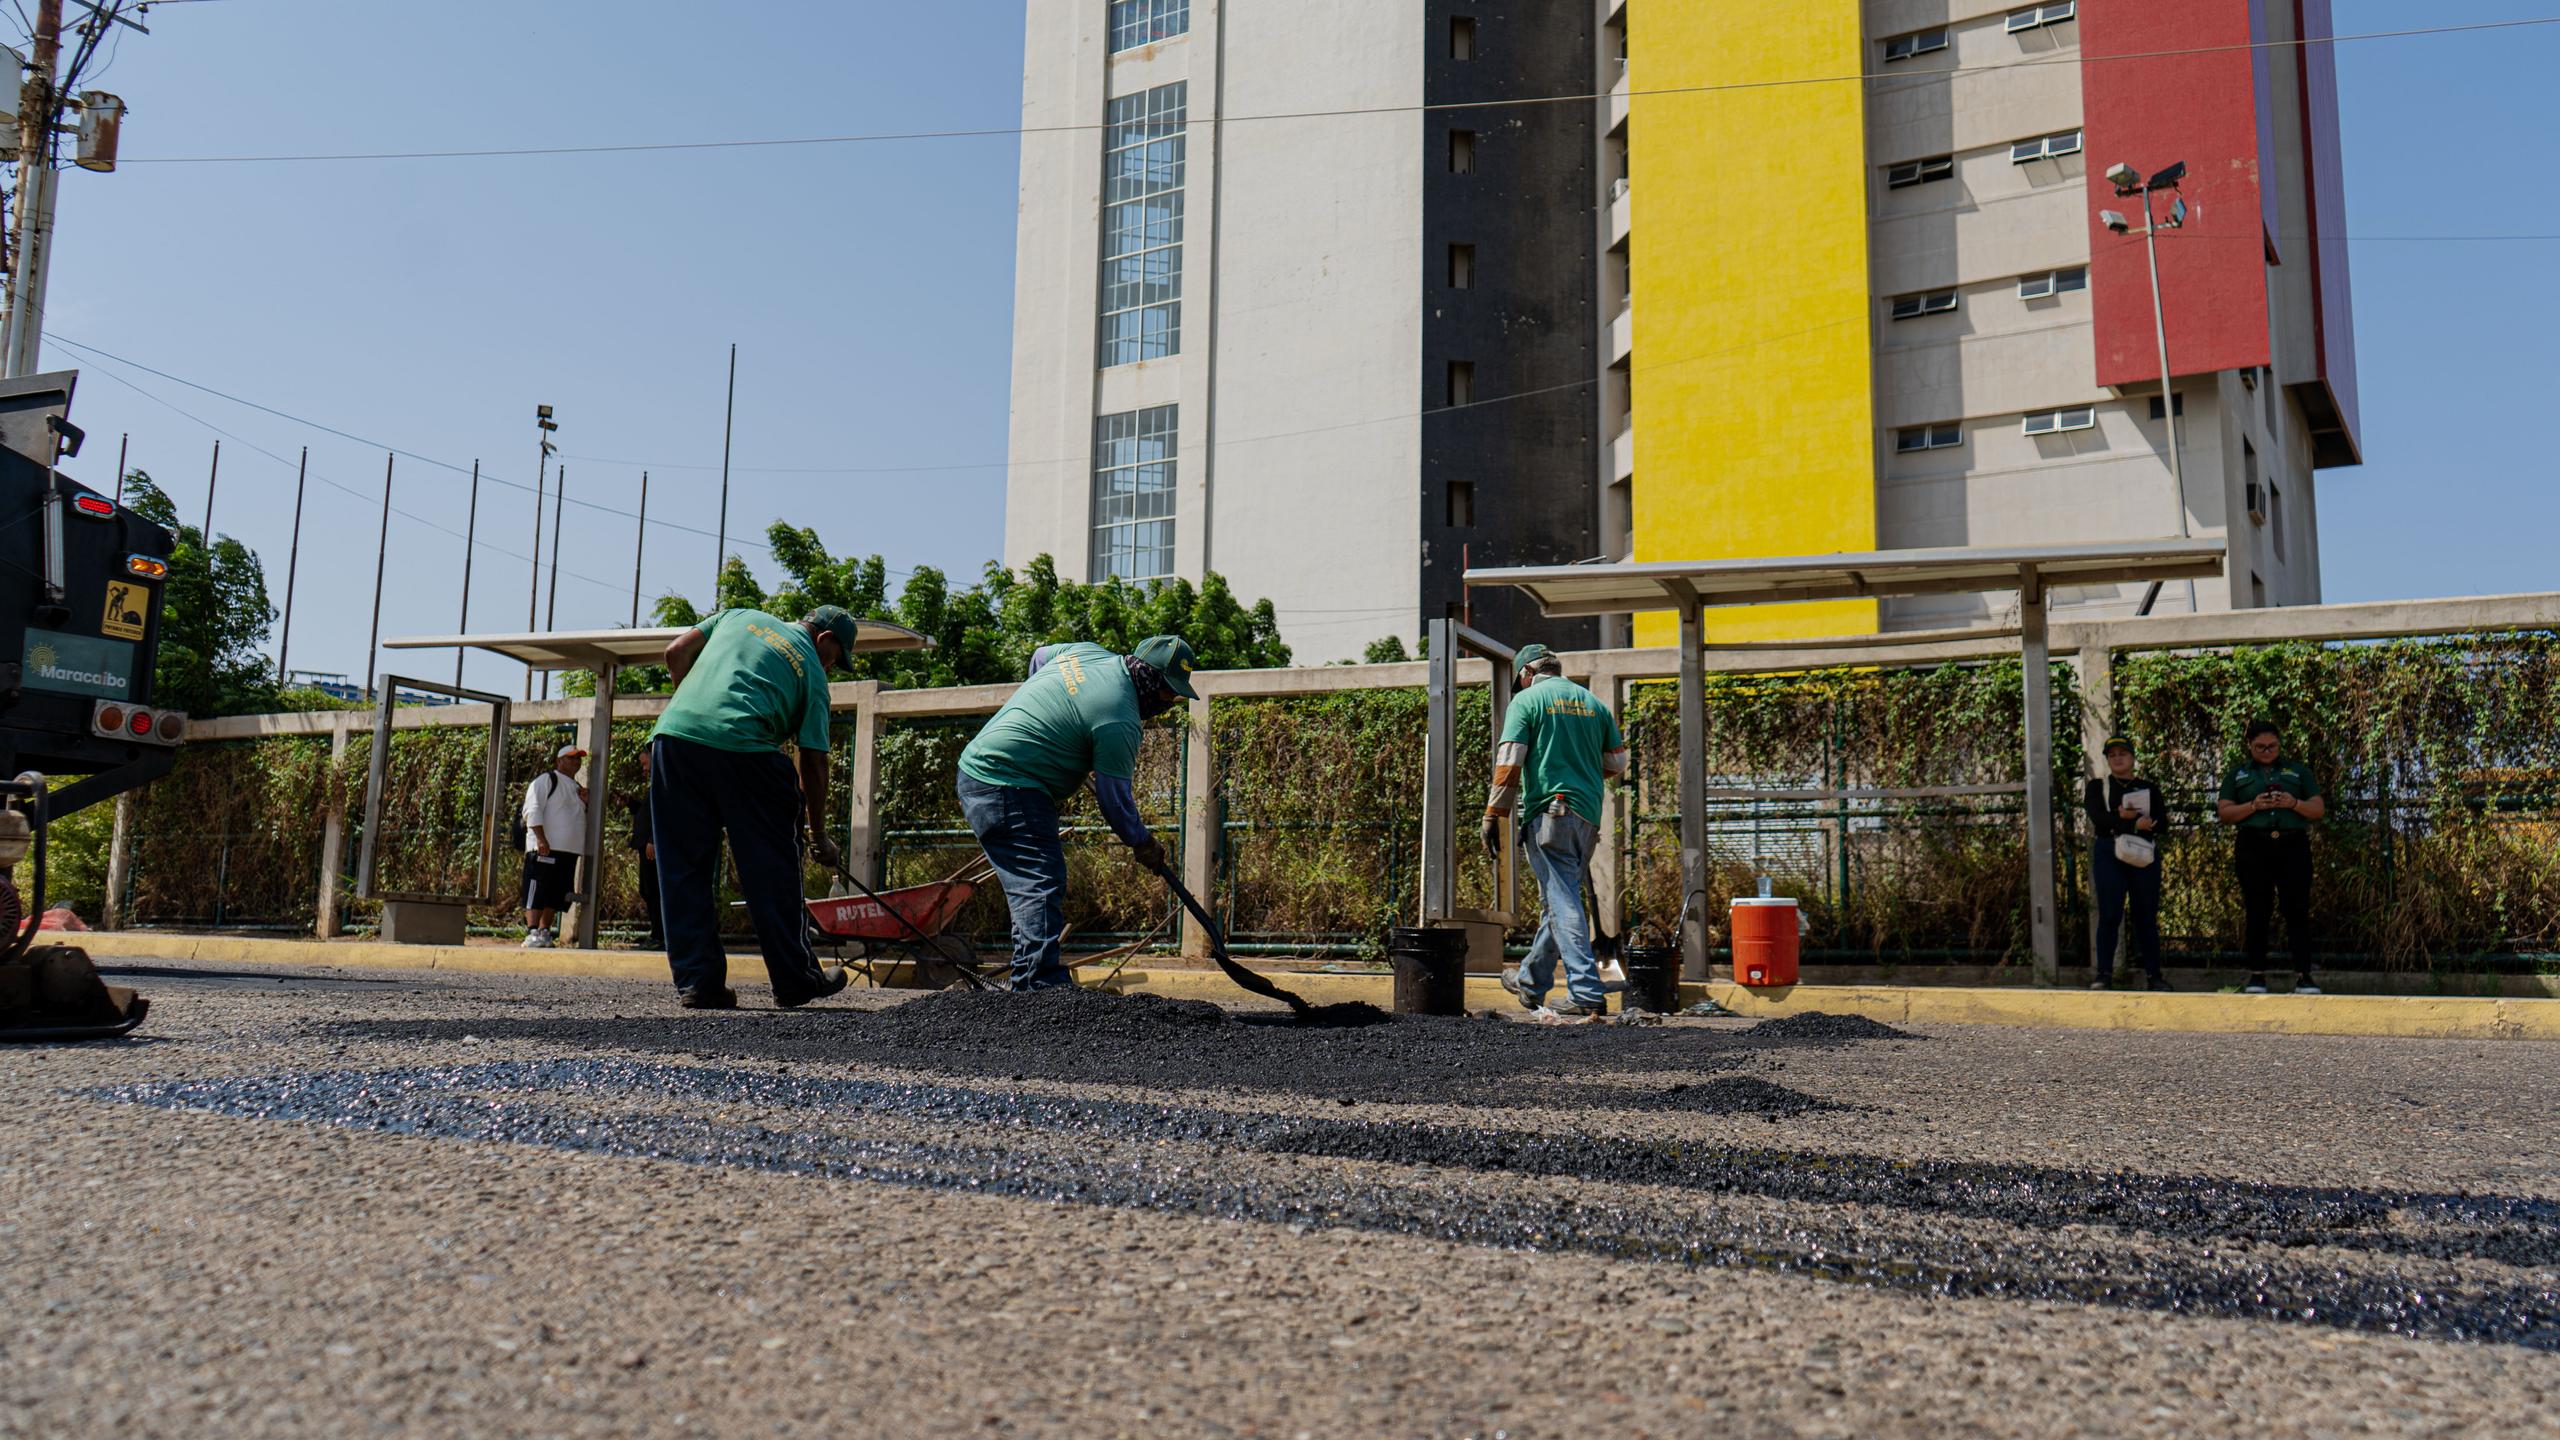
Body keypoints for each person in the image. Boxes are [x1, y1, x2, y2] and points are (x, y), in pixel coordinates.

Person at [648, 604, 863, 1010]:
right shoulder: (813, 675)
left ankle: (700, 983)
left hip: (674, 741)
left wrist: (697, 714)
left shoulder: (736, 616)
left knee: (682, 868)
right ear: (825, 640)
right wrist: (818, 835)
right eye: (837, 658)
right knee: (773, 866)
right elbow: (814, 762)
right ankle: (795, 978)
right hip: (748, 752)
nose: (833, 667)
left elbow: (675, 652)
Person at [956, 635, 1197, 991]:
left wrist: (1054, 718)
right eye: (1167, 692)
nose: (1168, 702)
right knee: (1040, 881)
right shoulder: (1119, 719)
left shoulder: (1087, 653)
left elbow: (1039, 658)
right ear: (1150, 678)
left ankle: (1027, 980)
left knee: (1032, 884)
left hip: (985, 773)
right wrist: (1142, 842)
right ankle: (1038, 984)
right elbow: (1114, 800)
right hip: (1008, 783)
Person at [1484, 644, 1628, 1018]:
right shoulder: (1592, 703)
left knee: (1562, 898)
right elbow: (1616, 761)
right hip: (1587, 815)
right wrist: (1582, 775)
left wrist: (1493, 813)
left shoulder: (1528, 700)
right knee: (1559, 897)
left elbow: (1510, 761)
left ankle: (1585, 991)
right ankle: (1531, 981)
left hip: (1550, 812)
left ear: (1527, 672)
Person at [2215, 719, 2326, 994]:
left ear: (2280, 744)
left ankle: (2304, 976)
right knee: (2257, 910)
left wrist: (2293, 803)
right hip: (2253, 845)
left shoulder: (2298, 771)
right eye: (2260, 747)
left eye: (2272, 746)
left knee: (2297, 910)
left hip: (2292, 845)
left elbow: (2317, 809)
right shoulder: (2237, 775)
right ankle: (2256, 976)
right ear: (2250, 746)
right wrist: (2253, 805)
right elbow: (2225, 813)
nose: (2267, 751)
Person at [2083, 735, 2169, 991]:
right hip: (2110, 851)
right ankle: (2104, 974)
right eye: (2112, 755)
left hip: (2142, 853)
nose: (2118, 758)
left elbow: (2163, 823)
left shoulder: (2149, 788)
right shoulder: (2099, 787)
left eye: (2123, 753)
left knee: (2146, 916)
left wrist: (2146, 822)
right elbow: (2098, 819)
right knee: (2110, 913)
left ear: (2133, 758)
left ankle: (2154, 976)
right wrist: (2127, 821)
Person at [519, 744, 588, 949]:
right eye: (571, 758)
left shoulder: (577, 788)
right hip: (545, 847)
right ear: (559, 761)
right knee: (537, 887)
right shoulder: (546, 780)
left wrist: (586, 802)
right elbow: (533, 810)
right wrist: (540, 838)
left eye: (578, 758)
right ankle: (532, 931)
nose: (576, 762)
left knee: (557, 892)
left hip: (568, 851)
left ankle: (544, 930)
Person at [625, 747, 664, 951]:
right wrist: (632, 804)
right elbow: (649, 811)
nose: (644, 769)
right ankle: (657, 933)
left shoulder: (662, 782)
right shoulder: (656, 783)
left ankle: (659, 935)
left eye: (645, 763)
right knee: (648, 890)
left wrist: (653, 839)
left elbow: (663, 813)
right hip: (647, 845)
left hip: (652, 846)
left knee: (654, 890)